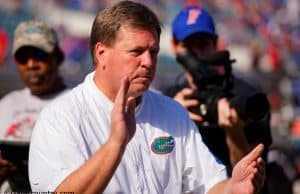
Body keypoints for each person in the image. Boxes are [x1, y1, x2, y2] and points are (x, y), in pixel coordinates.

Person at [29, 1, 265, 193]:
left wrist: (234, 187)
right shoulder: (59, 118)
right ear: (102, 53)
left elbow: (209, 186)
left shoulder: (172, 112)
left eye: (153, 52)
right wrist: (116, 144)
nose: (149, 62)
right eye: (136, 52)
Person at [164, 5, 273, 193]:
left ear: (215, 44)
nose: (196, 54)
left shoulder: (246, 97)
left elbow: (253, 181)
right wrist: (170, 118)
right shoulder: (168, 100)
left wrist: (234, 133)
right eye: (188, 46)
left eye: (202, 44)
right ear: (174, 46)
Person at [0, 20, 67, 191]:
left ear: (57, 57)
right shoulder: (7, 104)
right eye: (23, 58)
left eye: (39, 55)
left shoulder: (78, 103)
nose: (31, 65)